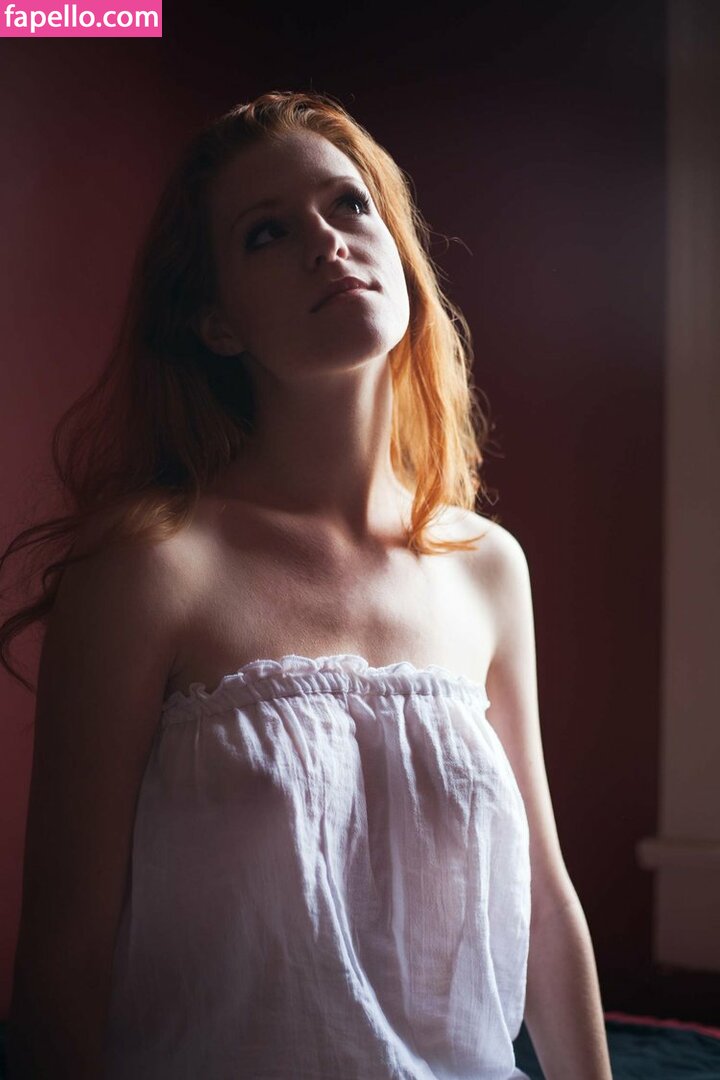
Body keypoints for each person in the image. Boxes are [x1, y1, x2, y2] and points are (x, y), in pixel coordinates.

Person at [3, 90, 613, 1079]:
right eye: (268, 233)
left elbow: (542, 901)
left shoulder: (487, 566)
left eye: (349, 206)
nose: (328, 243)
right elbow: (64, 957)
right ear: (216, 322)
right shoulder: (152, 567)